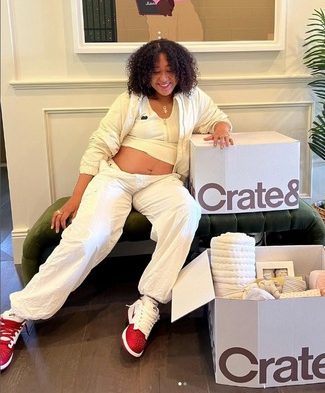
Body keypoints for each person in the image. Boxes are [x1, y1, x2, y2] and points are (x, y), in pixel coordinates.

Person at [0, 39, 233, 370]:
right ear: (144, 73)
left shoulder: (193, 98)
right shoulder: (130, 100)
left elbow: (218, 118)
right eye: (155, 71)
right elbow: (99, 145)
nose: (163, 78)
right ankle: (16, 315)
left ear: (181, 71)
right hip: (116, 180)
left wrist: (222, 127)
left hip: (163, 183)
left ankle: (148, 303)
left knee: (187, 212)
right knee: (88, 237)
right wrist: (76, 197)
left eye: (169, 70)